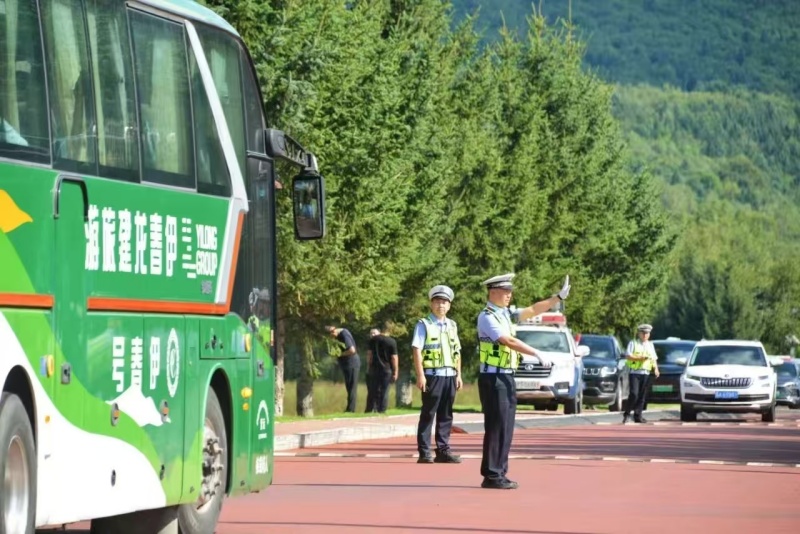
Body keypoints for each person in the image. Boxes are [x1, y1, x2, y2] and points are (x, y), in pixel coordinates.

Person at [477, 273, 571, 489]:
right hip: (493, 377)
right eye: (505, 291)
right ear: (493, 292)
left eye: (510, 291)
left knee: (506, 427)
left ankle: (499, 472)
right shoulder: (487, 316)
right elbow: (507, 340)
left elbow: (533, 310)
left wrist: (557, 297)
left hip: (506, 376)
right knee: (496, 426)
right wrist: (536, 352)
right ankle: (491, 475)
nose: (509, 295)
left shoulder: (505, 314)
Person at [412, 285, 462, 464]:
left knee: (446, 414)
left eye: (444, 302)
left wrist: (458, 374)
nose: (441, 305)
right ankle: (424, 452)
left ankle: (443, 450)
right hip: (432, 375)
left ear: (449, 305)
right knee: (428, 413)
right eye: (437, 301)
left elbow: (457, 351)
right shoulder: (424, 324)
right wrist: (420, 375)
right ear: (431, 304)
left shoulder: (452, 325)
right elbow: (417, 350)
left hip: (450, 375)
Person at [622, 323, 659, 424]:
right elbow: (628, 356)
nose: (645, 335)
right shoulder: (633, 343)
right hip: (635, 372)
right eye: (643, 333)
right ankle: (627, 414)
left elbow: (653, 358)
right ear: (639, 334)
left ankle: (638, 416)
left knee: (642, 396)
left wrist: (656, 369)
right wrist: (640, 358)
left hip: (646, 373)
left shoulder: (650, 345)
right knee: (634, 394)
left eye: (647, 333)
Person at [325, 325, 361, 413]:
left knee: (352, 387)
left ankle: (351, 410)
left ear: (333, 331)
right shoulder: (339, 335)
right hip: (346, 364)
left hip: (352, 363)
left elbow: (352, 350)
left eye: (331, 335)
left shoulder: (344, 334)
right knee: (349, 387)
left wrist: (340, 354)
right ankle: (349, 408)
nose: (332, 338)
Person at [366, 327, 398, 413]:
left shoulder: (372, 340)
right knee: (384, 390)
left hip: (374, 368)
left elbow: (369, 355)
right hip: (386, 369)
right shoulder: (391, 341)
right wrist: (395, 372)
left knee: (373, 390)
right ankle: (382, 410)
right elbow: (394, 358)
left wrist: (368, 367)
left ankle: (370, 409)